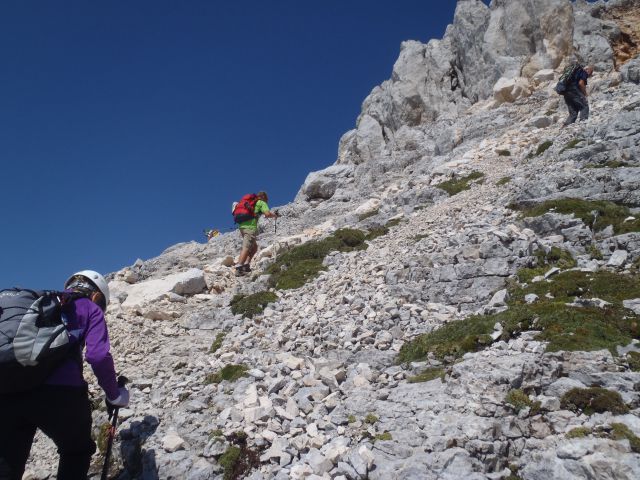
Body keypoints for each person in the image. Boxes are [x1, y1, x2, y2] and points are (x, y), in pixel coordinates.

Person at [0, 270, 129, 480]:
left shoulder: (43, 301)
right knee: (76, 451)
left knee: (8, 462)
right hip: (59, 393)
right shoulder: (88, 306)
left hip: (7, 388)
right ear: (97, 296)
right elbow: (97, 356)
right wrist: (114, 395)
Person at [235, 191, 278, 274]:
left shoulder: (251, 202)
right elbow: (267, 214)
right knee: (247, 246)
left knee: (254, 247)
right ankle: (239, 268)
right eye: (267, 200)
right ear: (264, 198)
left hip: (241, 226)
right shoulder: (261, 202)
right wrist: (275, 216)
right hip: (250, 227)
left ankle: (246, 265)